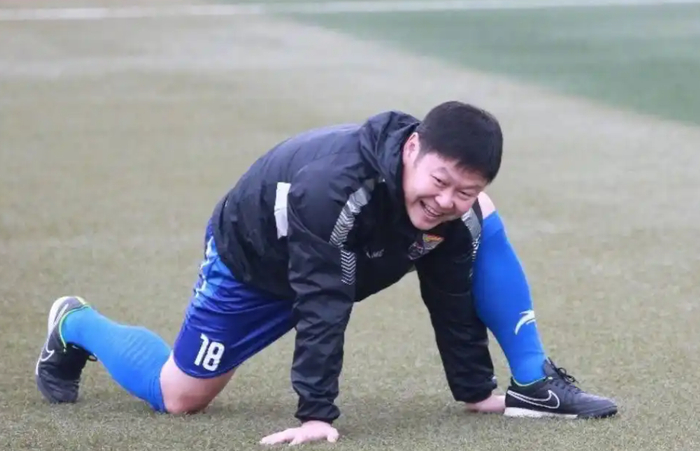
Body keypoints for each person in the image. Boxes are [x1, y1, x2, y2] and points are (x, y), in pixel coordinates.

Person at [35, 101, 617, 446]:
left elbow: (450, 292)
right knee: (179, 397)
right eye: (440, 181)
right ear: (412, 148)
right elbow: (322, 302)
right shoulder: (333, 190)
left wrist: (475, 391)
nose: (446, 199)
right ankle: (75, 323)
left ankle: (533, 384)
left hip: (357, 248)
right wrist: (316, 415)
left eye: (465, 189)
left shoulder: (450, 206)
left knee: (476, 222)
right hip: (256, 261)